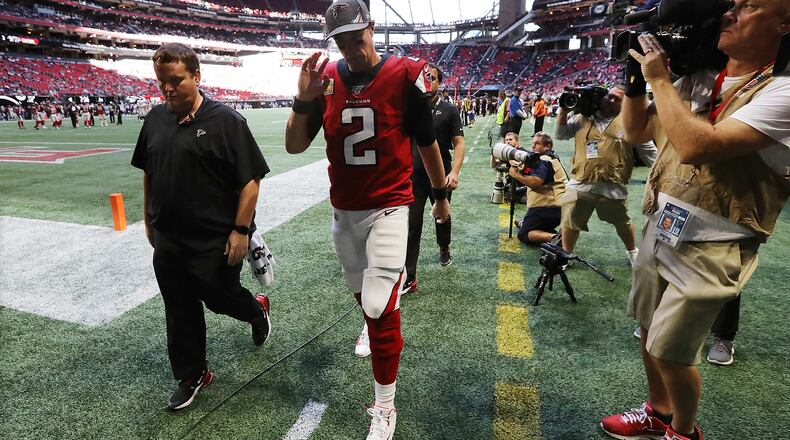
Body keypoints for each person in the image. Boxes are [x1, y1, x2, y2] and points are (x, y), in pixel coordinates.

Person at [600, 1, 790, 439]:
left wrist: (660, 79)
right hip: (662, 222)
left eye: (749, 6)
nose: (731, 13)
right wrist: (635, 81)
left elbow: (696, 145)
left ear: (784, 21)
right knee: (648, 331)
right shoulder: (703, 75)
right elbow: (634, 132)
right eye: (732, 5)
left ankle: (683, 433)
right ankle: (658, 410)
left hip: (717, 240)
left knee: (670, 350)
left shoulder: (781, 89)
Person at [284, 1, 451, 438]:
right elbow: (294, 146)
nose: (350, 47)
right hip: (345, 211)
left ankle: (385, 406)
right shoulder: (328, 80)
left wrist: (439, 196)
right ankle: (379, 319)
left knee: (378, 307)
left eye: (356, 36)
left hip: (391, 206)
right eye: (340, 39)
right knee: (368, 302)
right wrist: (303, 99)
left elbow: (427, 142)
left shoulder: (403, 74)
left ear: (372, 29)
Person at [130, 43, 271, 411]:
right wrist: (148, 219)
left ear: (196, 76)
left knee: (220, 297)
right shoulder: (155, 119)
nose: (167, 89)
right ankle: (193, 374)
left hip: (215, 239)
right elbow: (149, 171)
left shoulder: (226, 121)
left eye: (175, 81)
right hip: (169, 238)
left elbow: (250, 180)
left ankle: (256, 309)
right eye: (162, 82)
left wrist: (241, 231)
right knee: (178, 308)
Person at [554, 86, 654, 266]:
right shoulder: (581, 118)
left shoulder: (630, 123)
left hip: (613, 185)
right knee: (570, 222)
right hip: (580, 182)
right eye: (610, 97)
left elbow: (650, 153)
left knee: (622, 222)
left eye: (618, 100)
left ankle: (632, 251)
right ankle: (565, 255)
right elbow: (560, 135)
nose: (612, 101)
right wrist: (563, 111)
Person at [510, 132, 568, 244]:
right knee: (538, 227)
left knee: (524, 234)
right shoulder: (553, 157)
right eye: (533, 143)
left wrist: (515, 174)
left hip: (548, 207)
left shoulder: (543, 160)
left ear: (547, 146)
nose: (533, 146)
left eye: (537, 144)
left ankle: (557, 238)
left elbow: (536, 182)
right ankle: (554, 234)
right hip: (560, 208)